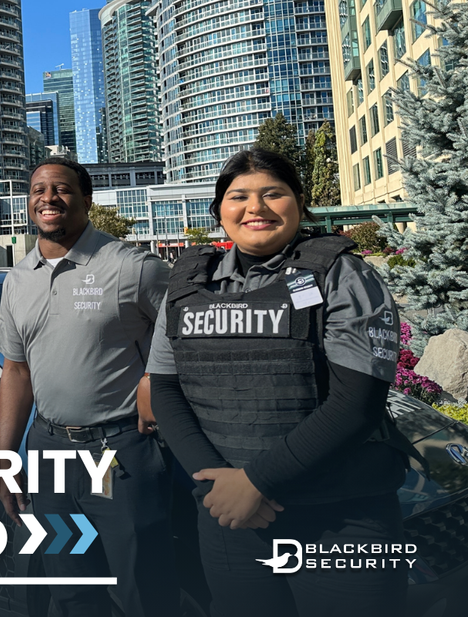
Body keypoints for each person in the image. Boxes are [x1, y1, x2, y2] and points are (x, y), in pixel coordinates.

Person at [148, 149, 412, 617]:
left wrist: (256, 481)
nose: (256, 207)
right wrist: (217, 485)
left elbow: (358, 404)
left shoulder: (342, 275)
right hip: (229, 515)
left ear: (299, 202)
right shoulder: (187, 284)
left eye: (273, 193)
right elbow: (166, 389)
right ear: (219, 211)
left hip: (340, 516)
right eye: (239, 196)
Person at [0, 158, 178, 617]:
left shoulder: (132, 266)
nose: (48, 198)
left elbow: (184, 330)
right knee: (71, 588)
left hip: (116, 451)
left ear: (86, 200)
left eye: (61, 189)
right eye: (39, 189)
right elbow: (16, 371)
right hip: (50, 451)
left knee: (141, 590)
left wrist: (155, 376)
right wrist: (5, 456)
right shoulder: (17, 279)